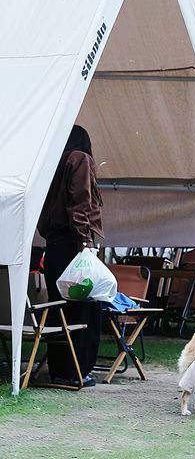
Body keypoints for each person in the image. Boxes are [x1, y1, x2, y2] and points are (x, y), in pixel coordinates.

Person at [37, 125, 104, 387]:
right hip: (73, 246)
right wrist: (85, 241)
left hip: (53, 246)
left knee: (58, 310)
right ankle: (78, 371)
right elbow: (80, 202)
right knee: (84, 310)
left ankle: (60, 370)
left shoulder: (53, 163)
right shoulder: (80, 159)